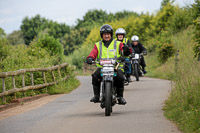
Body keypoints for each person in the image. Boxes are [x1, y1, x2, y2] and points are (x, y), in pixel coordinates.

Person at [86, 24, 132, 105]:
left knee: (120, 77)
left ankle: (120, 97)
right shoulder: (98, 45)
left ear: (111, 34)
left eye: (108, 34)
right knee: (95, 76)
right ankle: (96, 96)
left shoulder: (118, 43)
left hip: (116, 67)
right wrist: (90, 58)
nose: (106, 36)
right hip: (102, 68)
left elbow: (126, 51)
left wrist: (126, 50)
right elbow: (93, 53)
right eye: (104, 34)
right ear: (102, 35)